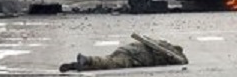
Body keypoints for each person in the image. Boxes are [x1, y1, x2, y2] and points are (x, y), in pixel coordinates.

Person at [59, 34, 187, 72]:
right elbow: (180, 61)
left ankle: (79, 65)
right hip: (134, 57)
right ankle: (88, 60)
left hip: (129, 51)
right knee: (111, 62)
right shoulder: (168, 53)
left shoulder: (160, 44)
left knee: (109, 62)